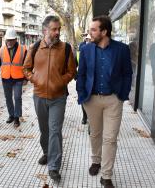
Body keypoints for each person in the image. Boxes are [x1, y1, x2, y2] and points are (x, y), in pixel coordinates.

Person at [76, 15, 132, 188]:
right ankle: (96, 161)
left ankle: (106, 176)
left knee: (110, 138)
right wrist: (82, 94)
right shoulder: (85, 50)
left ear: (104, 32)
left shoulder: (122, 49)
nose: (90, 33)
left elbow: (127, 73)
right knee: (95, 134)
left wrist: (122, 94)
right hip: (91, 100)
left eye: (93, 29)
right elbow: (82, 74)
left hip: (113, 100)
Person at [23, 15, 76, 182]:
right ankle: (46, 152)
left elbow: (72, 71)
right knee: (44, 130)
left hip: (58, 97)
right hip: (39, 96)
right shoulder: (35, 47)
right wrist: (35, 79)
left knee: (55, 131)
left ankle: (54, 167)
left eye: (59, 29)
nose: (57, 32)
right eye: (54, 29)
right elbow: (25, 69)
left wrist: (61, 81)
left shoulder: (66, 49)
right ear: (45, 30)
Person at [0, 28, 27, 128]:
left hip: (18, 78)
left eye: (11, 40)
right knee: (8, 98)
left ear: (16, 39)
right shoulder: (1, 50)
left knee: (17, 97)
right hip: (6, 78)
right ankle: (11, 115)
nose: (9, 42)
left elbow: (27, 65)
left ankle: (17, 117)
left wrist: (26, 78)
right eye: (8, 40)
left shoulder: (23, 49)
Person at [77, 34, 91, 125]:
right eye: (87, 39)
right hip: (83, 77)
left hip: (91, 78)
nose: (88, 40)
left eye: (90, 39)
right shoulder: (81, 47)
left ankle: (90, 121)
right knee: (83, 99)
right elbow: (76, 61)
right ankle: (84, 116)